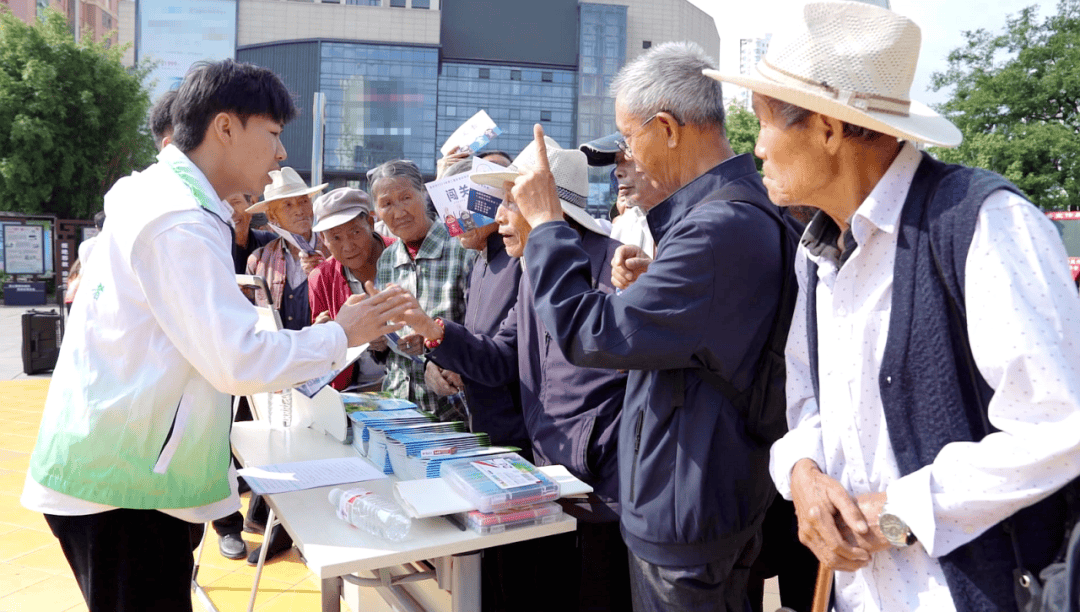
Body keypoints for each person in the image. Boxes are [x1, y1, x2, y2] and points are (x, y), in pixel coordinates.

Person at [706, 3, 1080, 611]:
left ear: (828, 128)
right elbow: (807, 398)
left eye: (766, 120)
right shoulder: (820, 249)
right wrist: (801, 472)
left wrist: (896, 516)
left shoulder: (981, 223)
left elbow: (1062, 425)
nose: (758, 147)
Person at [19, 58, 412, 612]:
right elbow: (235, 359)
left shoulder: (160, 197)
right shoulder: (179, 220)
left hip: (122, 472)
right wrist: (341, 334)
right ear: (225, 127)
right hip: (126, 489)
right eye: (273, 134)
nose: (280, 155)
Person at [507, 41, 792, 612]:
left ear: (666, 128)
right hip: (699, 493)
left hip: (687, 508)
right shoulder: (728, 213)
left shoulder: (718, 227)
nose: (625, 155)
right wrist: (651, 291)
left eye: (627, 137)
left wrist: (544, 224)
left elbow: (587, 333)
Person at [400, 136, 631, 612]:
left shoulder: (614, 267)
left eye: (509, 201)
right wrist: (434, 331)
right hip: (551, 480)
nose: (499, 216)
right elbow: (501, 356)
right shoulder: (531, 272)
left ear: (544, 205)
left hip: (604, 493)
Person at [370, 159, 471, 420]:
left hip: (451, 407)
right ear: (377, 211)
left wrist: (433, 348)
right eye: (386, 203)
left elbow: (478, 329)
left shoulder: (460, 247)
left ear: (424, 195)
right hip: (397, 404)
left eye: (405, 197)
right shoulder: (388, 260)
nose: (398, 211)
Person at [307, 187, 389, 391]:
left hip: (409, 385)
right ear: (324, 240)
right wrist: (321, 334)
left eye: (355, 232)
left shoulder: (402, 255)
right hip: (350, 391)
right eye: (335, 238)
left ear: (370, 223)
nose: (347, 246)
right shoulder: (321, 278)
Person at [244, 167, 329, 331]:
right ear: (272, 216)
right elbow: (246, 316)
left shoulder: (333, 250)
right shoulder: (259, 261)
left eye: (304, 201)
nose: (299, 211)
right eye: (288, 205)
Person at [579, 132, 671, 256]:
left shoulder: (691, 220)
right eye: (617, 162)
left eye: (629, 158)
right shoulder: (625, 227)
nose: (618, 172)